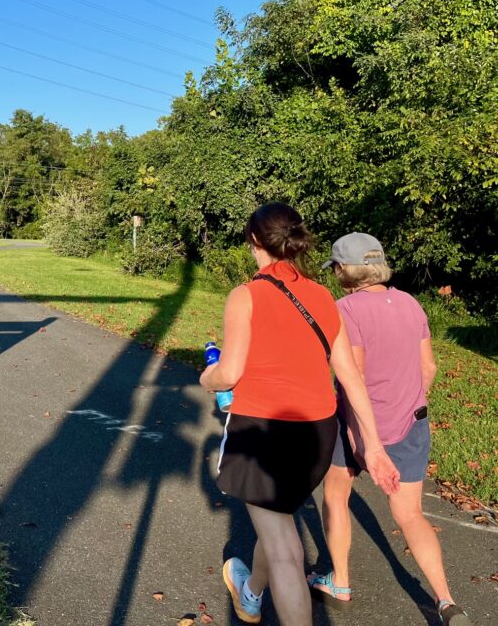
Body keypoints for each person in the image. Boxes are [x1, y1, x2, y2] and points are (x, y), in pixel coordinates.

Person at [200, 203, 400, 626]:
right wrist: (375, 447)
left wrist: (207, 378)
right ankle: (251, 591)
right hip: (318, 433)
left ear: (255, 240)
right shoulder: (324, 296)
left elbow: (230, 372)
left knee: (287, 551)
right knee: (279, 525)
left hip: (264, 430)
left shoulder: (246, 295)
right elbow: (349, 376)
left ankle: (258, 596)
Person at [308, 232, 473, 625]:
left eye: (335, 267)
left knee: (336, 495)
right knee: (411, 515)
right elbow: (428, 368)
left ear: (345, 269)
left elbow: (355, 377)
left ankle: (341, 582)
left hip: (359, 425)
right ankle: (447, 601)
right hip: (411, 423)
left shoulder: (344, 309)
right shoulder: (410, 303)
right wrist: (406, 403)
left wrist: (361, 437)